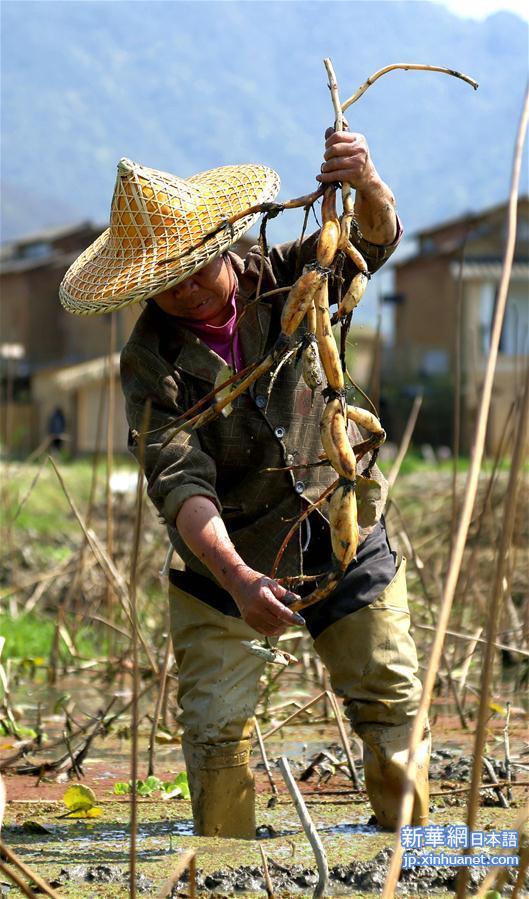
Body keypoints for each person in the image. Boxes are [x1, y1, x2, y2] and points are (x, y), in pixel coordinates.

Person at [60, 131, 430, 838]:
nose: (188, 291)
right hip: (224, 559)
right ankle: (223, 867)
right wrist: (235, 576)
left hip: (337, 524)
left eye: (198, 270)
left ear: (222, 246)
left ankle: (411, 852)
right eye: (166, 283)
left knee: (392, 707)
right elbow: (179, 479)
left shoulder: (291, 274)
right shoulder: (149, 360)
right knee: (215, 734)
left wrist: (368, 183)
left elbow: (370, 243)